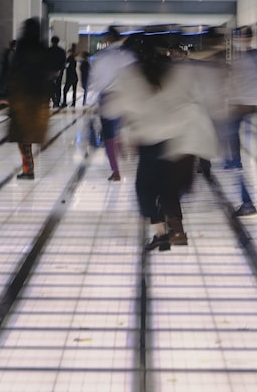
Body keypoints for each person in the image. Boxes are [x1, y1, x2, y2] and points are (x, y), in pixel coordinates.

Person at [105, 31, 218, 250]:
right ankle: (173, 232)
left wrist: (126, 130)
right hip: (179, 138)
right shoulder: (177, 71)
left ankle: (162, 232)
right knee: (168, 187)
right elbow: (196, 99)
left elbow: (114, 107)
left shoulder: (130, 74)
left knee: (145, 188)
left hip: (151, 140)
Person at [222, 25, 257, 217]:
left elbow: (235, 83)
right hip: (246, 107)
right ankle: (231, 161)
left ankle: (247, 202)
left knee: (235, 157)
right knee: (232, 147)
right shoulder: (256, 57)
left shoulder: (245, 59)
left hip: (241, 107)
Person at [8, 18, 53, 180]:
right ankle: (30, 166)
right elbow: (47, 72)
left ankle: (28, 169)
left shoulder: (22, 46)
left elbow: (15, 72)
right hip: (38, 97)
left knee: (23, 136)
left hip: (23, 97)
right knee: (33, 131)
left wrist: (9, 95)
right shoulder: (41, 47)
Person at [90, 26, 136, 181]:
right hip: (127, 96)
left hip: (108, 97)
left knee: (109, 135)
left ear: (108, 39)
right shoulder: (128, 55)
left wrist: (93, 99)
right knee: (124, 127)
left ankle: (115, 171)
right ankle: (125, 147)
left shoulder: (101, 57)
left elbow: (96, 81)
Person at [47, 35, 66, 108]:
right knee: (58, 87)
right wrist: (60, 70)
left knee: (49, 86)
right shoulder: (61, 51)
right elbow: (63, 62)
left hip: (49, 72)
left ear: (51, 41)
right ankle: (57, 102)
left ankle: (49, 101)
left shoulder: (48, 50)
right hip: (58, 71)